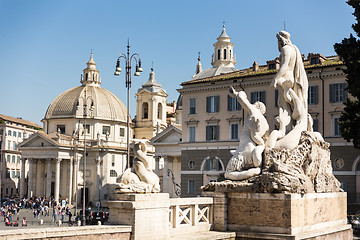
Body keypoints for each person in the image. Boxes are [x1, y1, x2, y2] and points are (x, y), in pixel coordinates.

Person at [225, 87, 269, 181]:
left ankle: (253, 172)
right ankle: (255, 171)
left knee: (228, 174)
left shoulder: (253, 111)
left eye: (254, 104)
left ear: (257, 107)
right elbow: (264, 139)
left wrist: (236, 93)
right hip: (253, 154)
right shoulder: (266, 123)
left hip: (242, 152)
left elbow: (242, 99)